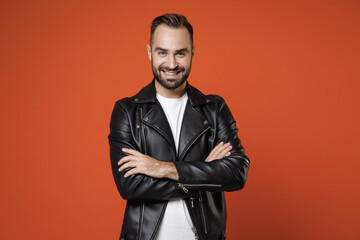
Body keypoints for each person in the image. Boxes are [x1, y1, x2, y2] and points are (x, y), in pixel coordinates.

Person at [108, 13, 250, 240]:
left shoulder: (214, 108)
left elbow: (236, 172)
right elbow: (130, 185)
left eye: (180, 53)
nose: (172, 64)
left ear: (193, 52)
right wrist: (203, 174)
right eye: (162, 52)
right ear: (149, 52)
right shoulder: (128, 111)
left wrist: (163, 168)